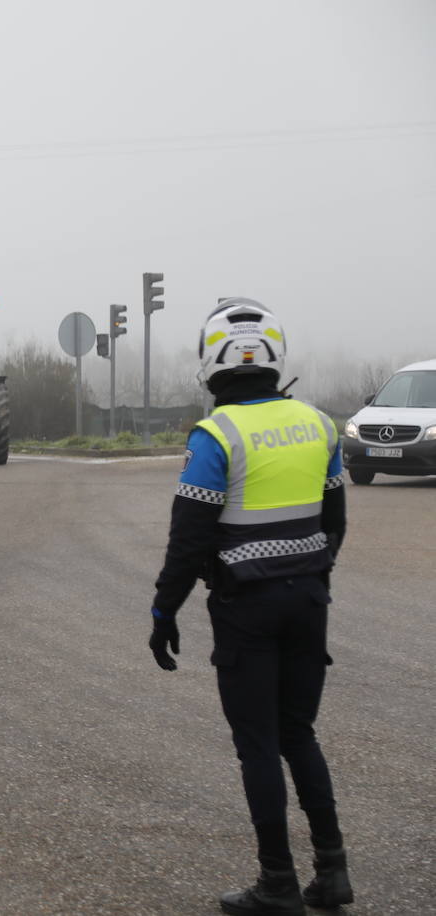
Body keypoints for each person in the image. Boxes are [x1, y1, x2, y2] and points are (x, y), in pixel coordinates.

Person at [147, 298, 352, 915]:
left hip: (247, 607)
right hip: (308, 600)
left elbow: (189, 541)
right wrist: (308, 575)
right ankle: (333, 872)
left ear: (211, 363)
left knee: (258, 744)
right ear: (275, 357)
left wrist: (164, 613)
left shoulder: (216, 435)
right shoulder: (320, 425)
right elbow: (335, 524)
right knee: (299, 734)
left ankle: (278, 883)